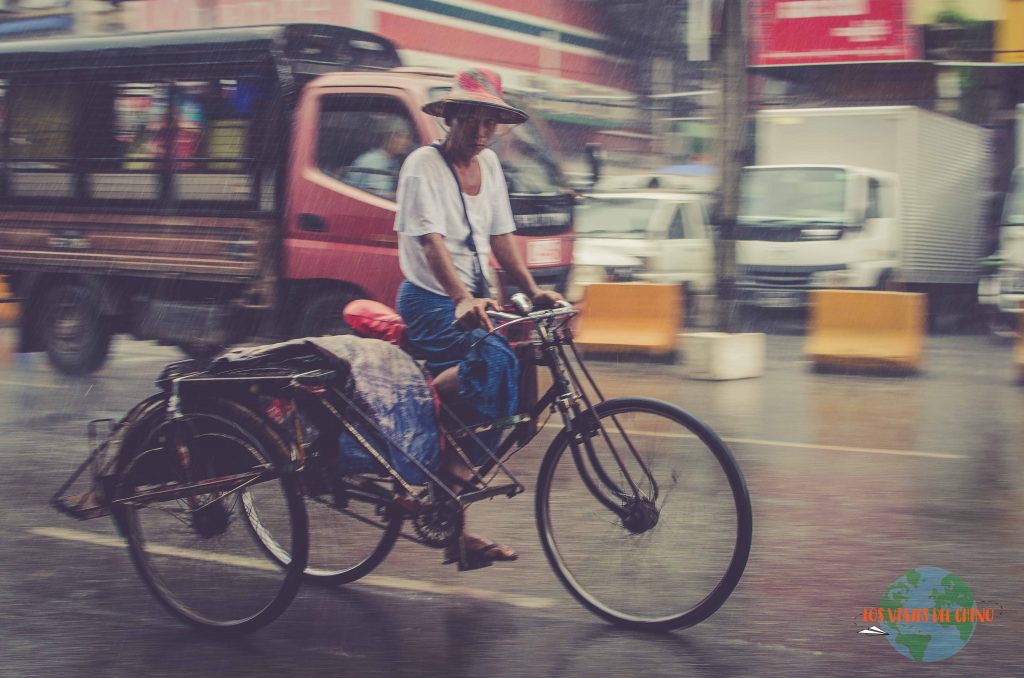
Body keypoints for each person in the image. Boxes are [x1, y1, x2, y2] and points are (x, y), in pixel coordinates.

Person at [394, 67, 564, 570]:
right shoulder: (422, 166)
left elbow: (503, 239)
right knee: (492, 365)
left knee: (507, 389)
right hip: (429, 301)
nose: (484, 132)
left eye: (492, 122)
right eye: (475, 120)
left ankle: (454, 511)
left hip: (477, 300)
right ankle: (420, 400)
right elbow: (432, 242)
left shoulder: (489, 167)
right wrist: (460, 297)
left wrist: (533, 293)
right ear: (453, 118)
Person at [347, 117, 413, 195]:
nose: (404, 141)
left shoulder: (392, 160)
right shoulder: (374, 161)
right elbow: (378, 196)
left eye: (407, 137)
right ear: (385, 137)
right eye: (398, 136)